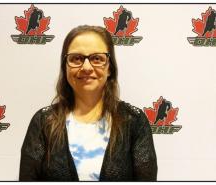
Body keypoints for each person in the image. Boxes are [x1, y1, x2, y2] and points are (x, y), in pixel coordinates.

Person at [19, 25, 157, 181]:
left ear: (110, 67)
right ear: (65, 66)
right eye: (76, 58)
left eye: (97, 58)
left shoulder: (134, 122)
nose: (86, 67)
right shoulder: (43, 122)